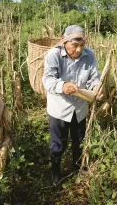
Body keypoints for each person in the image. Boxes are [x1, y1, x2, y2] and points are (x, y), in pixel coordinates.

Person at [42, 25, 102, 187]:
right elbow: (47, 80)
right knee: (58, 143)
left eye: (82, 45)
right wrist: (63, 86)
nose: (78, 50)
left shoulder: (89, 55)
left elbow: (94, 77)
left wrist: (97, 88)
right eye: (74, 45)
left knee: (79, 139)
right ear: (65, 41)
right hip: (59, 108)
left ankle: (77, 166)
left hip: (80, 107)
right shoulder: (54, 55)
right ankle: (56, 173)